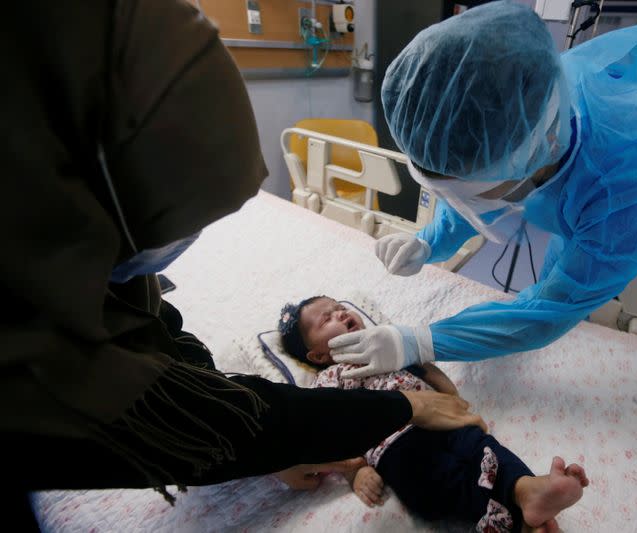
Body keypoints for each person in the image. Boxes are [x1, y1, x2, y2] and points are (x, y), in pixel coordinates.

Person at [1, 1, 485, 527]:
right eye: (168, 229)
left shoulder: (87, 258)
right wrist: (392, 419)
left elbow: (176, 359)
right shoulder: (27, 344)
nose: (342, 317)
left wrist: (278, 452)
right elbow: (196, 421)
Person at [328, 1, 637, 379]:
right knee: (569, 271)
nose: (461, 204)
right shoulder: (523, 108)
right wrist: (428, 242)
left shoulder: (634, 183)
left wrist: (421, 342)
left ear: (528, 156)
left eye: (467, 191)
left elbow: (549, 311)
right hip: (588, 175)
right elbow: (479, 187)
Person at [278, 296, 589, 532]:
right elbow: (332, 430)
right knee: (439, 485)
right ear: (317, 355)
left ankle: (526, 488)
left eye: (339, 306)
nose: (341, 313)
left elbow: (426, 369)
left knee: (483, 448)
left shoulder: (383, 345)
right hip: (394, 445)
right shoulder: (330, 379)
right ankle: (520, 519)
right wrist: (354, 471)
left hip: (442, 417)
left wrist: (448, 394)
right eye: (326, 318)